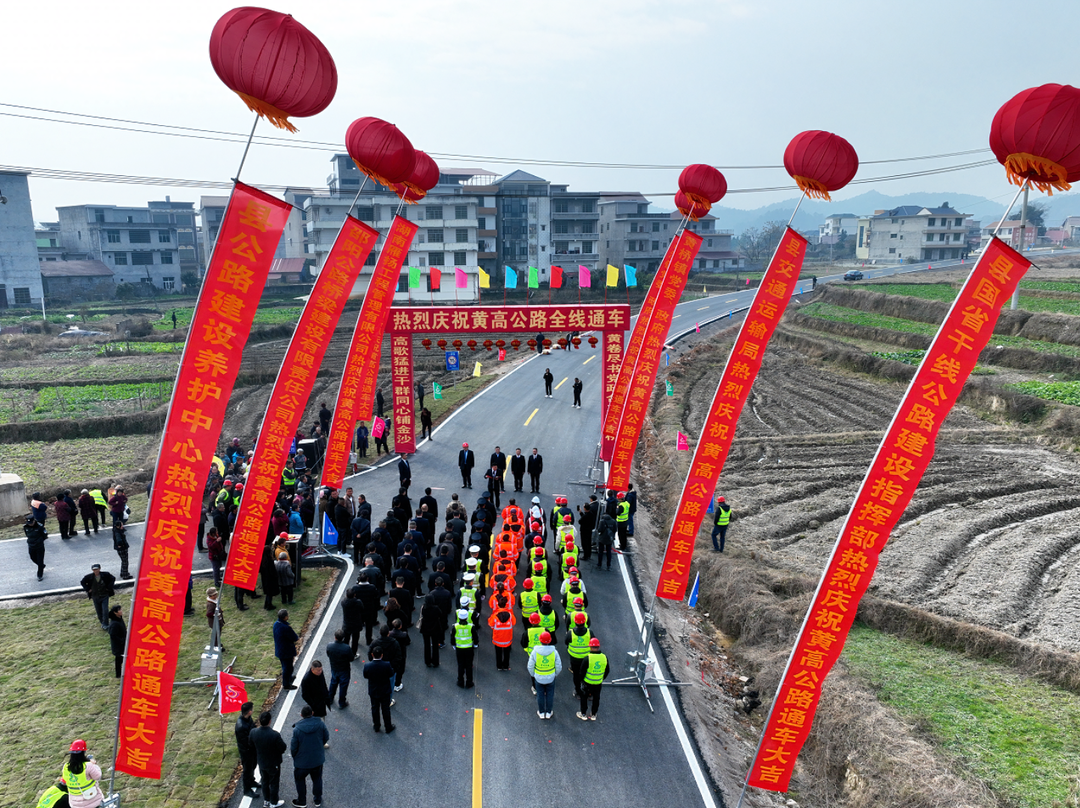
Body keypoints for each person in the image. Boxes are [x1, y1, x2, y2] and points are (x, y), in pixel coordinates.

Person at [291, 704, 329, 808]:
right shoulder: (320, 724)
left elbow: (294, 747)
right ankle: (317, 800)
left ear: (301, 715)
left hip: (301, 762)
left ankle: (302, 801)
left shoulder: (297, 729)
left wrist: (295, 756)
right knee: (317, 779)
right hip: (317, 759)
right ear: (312, 713)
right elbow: (326, 737)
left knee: (300, 780)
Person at [250, 711, 286, 808]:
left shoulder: (253, 732)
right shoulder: (275, 735)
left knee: (264, 781)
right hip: (274, 763)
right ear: (270, 721)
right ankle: (274, 802)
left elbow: (251, 745)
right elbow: (283, 748)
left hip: (261, 762)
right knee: (274, 782)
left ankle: (266, 800)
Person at [527, 631, 562, 719]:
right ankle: (549, 712)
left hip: (538, 677)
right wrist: (555, 674)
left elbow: (530, 666)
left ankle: (542, 712)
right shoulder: (554, 652)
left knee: (540, 695)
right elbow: (559, 666)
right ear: (550, 641)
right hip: (551, 677)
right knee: (550, 695)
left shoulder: (535, 652)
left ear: (540, 640)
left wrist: (533, 675)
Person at [61, 740, 103, 808]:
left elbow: (65, 780)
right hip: (92, 800)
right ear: (83, 752)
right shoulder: (88, 765)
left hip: (75, 804)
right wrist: (94, 765)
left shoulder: (65, 767)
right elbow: (98, 776)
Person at [363, 647, 396, 733]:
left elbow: (365, 676)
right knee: (386, 709)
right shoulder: (386, 665)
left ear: (372, 655)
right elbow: (391, 674)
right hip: (384, 690)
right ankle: (388, 727)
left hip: (373, 690)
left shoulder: (367, 666)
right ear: (382, 655)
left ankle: (376, 726)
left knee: (375, 708)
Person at [579, 637, 610, 720]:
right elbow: (607, 670)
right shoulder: (604, 657)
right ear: (598, 647)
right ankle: (593, 714)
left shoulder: (587, 658)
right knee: (596, 698)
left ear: (590, 647)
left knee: (584, 698)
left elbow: (582, 672)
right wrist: (601, 678)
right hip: (598, 682)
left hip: (587, 682)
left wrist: (581, 681)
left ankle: (583, 714)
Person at [235, 702, 260, 797]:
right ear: (249, 712)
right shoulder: (241, 726)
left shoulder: (248, 719)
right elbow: (246, 742)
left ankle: (252, 781)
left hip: (252, 749)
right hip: (247, 752)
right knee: (247, 770)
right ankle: (247, 790)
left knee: (253, 766)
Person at [80, 564, 116, 630]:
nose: (95, 571)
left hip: (104, 595)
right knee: (98, 610)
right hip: (95, 596)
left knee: (105, 610)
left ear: (99, 569)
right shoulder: (89, 577)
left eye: (96, 569)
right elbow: (82, 582)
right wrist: (88, 589)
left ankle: (106, 623)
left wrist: (109, 588)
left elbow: (112, 578)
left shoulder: (105, 575)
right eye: (94, 570)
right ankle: (102, 622)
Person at [420, 590, 447, 668]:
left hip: (425, 628)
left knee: (426, 645)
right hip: (435, 628)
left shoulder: (424, 608)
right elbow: (440, 614)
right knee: (435, 645)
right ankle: (435, 661)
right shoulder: (435, 608)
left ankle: (427, 661)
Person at [326, 629, 353, 708]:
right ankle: (341, 702)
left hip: (334, 668)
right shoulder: (346, 648)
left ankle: (330, 698)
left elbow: (328, 654)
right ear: (343, 638)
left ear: (335, 637)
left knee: (333, 682)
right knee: (343, 686)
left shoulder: (330, 646)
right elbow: (351, 658)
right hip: (344, 669)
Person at [274, 609, 299, 690]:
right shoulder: (286, 628)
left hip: (280, 650)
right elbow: (294, 637)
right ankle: (286, 684)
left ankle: (288, 678)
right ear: (285, 617)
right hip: (286, 651)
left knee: (285, 666)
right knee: (288, 668)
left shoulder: (276, 624)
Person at [452, 607, 478, 688]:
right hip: (469, 648)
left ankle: (460, 681)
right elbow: (475, 637)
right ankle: (469, 682)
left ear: (459, 617)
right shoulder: (471, 626)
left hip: (459, 648)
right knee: (469, 665)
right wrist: (476, 644)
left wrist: (453, 645)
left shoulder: (455, 626)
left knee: (460, 665)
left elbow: (452, 637)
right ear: (467, 617)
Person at [24, 514, 47, 581]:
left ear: (34, 521)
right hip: (31, 545)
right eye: (29, 523)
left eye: (31, 523)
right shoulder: (25, 527)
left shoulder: (40, 526)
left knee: (40, 561)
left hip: (39, 546)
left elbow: (44, 535)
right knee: (32, 558)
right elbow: (27, 534)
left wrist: (39, 541)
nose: (30, 524)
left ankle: (40, 575)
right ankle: (42, 566)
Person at [107, 604, 126, 678]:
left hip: (123, 643)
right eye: (119, 610)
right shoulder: (114, 624)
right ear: (115, 612)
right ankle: (118, 674)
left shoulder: (120, 618)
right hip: (118, 646)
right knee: (119, 660)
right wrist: (121, 640)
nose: (121, 611)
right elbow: (113, 635)